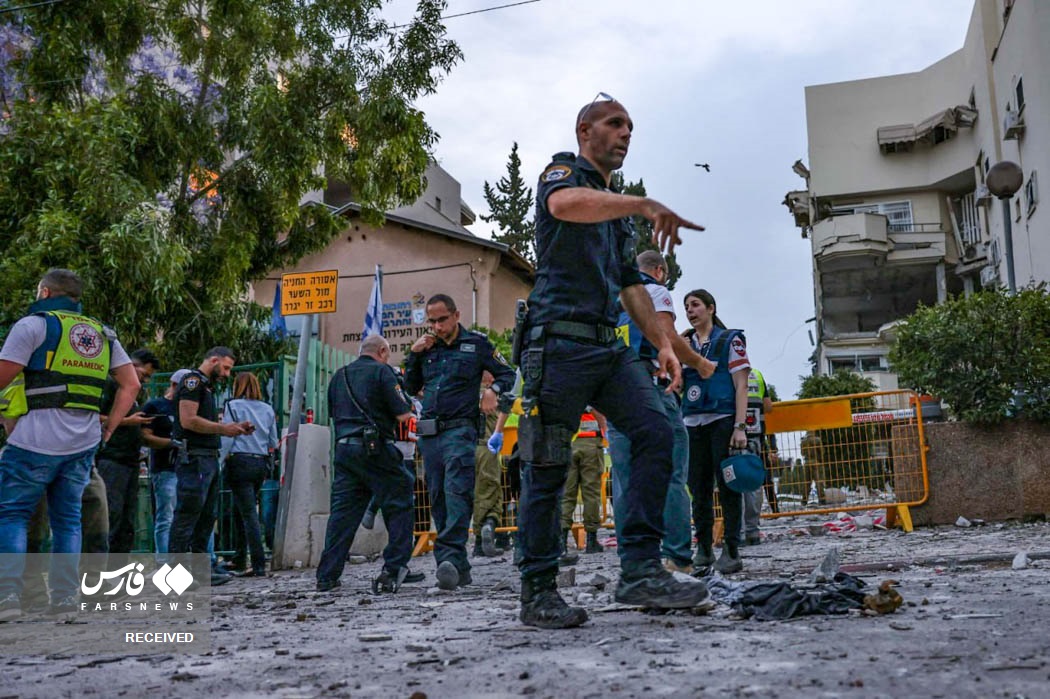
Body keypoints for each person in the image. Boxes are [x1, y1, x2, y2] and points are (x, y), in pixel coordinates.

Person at [513, 96, 709, 629]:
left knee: (655, 431)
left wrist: (663, 342)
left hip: (607, 347)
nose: (625, 133)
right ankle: (538, 592)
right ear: (585, 130)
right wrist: (641, 204)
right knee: (547, 466)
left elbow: (630, 285)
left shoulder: (614, 210)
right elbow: (563, 206)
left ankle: (641, 570)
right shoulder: (562, 175)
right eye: (615, 124)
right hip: (558, 343)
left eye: (630, 127)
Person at [0, 269, 139, 620]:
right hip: (83, 441)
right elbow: (131, 384)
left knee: (13, 514)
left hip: (33, 439)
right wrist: (110, 427)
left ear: (45, 293)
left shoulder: (33, 325)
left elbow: (3, 375)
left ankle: (8, 597)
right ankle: (63, 600)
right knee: (68, 521)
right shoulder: (103, 333)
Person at [608, 251, 716, 575]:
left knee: (625, 480)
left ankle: (634, 562)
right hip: (652, 388)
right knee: (671, 473)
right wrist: (699, 363)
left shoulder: (612, 300)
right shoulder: (653, 290)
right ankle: (677, 558)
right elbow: (667, 335)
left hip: (615, 392)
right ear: (659, 271)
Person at [403, 294, 515, 591]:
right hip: (430, 435)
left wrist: (493, 390)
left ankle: (449, 558)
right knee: (438, 497)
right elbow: (410, 387)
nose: (438, 326)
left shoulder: (476, 344)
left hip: (460, 431)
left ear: (456, 315)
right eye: (432, 321)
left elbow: (508, 374)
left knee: (457, 492)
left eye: (442, 319)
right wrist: (413, 355)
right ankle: (457, 568)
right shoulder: (426, 348)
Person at [316, 334, 416, 593]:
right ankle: (395, 568)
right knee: (400, 500)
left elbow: (332, 414)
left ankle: (327, 576)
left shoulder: (339, 376)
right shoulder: (383, 372)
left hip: (344, 450)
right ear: (382, 351)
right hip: (375, 449)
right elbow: (403, 414)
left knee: (343, 515)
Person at [681, 289, 751, 575]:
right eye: (687, 306)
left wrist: (739, 427)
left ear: (711, 308)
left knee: (728, 487)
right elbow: (676, 383)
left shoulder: (729, 340)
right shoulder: (685, 344)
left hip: (722, 421)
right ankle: (704, 548)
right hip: (692, 423)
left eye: (695, 305)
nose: (690, 310)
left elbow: (741, 385)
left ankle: (731, 550)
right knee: (698, 489)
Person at [169, 347, 252, 585]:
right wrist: (224, 429)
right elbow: (188, 420)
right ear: (213, 360)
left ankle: (200, 571)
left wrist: (231, 428)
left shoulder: (206, 386)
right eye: (225, 368)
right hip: (195, 458)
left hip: (206, 457)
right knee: (188, 516)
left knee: (205, 517)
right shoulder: (193, 382)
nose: (226, 374)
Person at [94, 348, 160, 566]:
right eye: (144, 374)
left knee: (126, 521)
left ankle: (118, 569)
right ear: (131, 366)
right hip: (112, 459)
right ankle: (100, 570)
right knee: (110, 516)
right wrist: (127, 421)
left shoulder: (132, 395)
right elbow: (94, 416)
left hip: (130, 462)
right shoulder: (111, 386)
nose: (144, 381)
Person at [220, 372, 279, 577]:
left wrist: (220, 460)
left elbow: (228, 437)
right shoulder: (267, 409)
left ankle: (257, 562)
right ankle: (239, 557)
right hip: (260, 462)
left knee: (247, 513)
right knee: (242, 510)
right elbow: (273, 441)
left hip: (239, 460)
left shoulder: (232, 406)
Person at [142, 368, 191, 559]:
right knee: (166, 517)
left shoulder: (188, 407)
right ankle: (164, 560)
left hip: (186, 467)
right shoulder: (156, 406)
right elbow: (145, 436)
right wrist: (171, 443)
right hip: (165, 467)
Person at [560, 408, 607, 557]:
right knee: (591, 493)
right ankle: (591, 540)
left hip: (567, 441)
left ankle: (561, 541)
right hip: (591, 442)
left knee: (566, 493)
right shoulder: (591, 392)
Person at [741, 368, 776, 545]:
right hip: (756, 436)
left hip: (735, 434)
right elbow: (768, 406)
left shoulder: (729, 372)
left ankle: (739, 532)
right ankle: (752, 531)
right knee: (753, 484)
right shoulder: (757, 375)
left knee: (736, 484)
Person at [473, 372, 505, 558]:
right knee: (491, 492)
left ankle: (478, 539)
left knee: (471, 493)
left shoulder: (467, 391)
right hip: (488, 448)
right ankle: (487, 527)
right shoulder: (493, 396)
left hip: (466, 447)